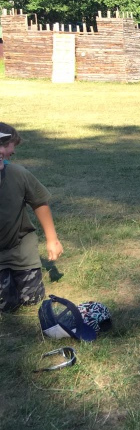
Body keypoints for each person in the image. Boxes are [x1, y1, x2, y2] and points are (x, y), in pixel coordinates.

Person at [0, 123, 63, 313]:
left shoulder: (18, 174)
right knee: (6, 306)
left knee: (32, 300)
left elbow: (39, 202)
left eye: (5, 146)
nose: (7, 151)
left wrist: (52, 240)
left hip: (21, 250)